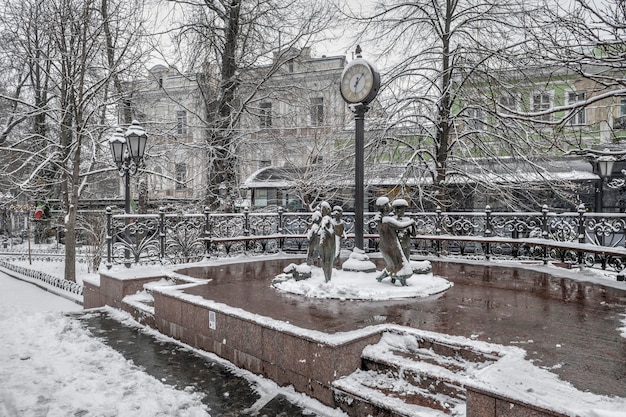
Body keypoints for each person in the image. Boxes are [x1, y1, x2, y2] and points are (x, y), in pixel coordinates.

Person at [375, 196, 415, 286]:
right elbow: (400, 226)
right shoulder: (387, 219)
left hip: (384, 245)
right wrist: (411, 222)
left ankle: (382, 277)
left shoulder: (379, 219)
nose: (391, 207)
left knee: (392, 264)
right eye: (388, 205)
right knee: (400, 264)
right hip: (392, 245)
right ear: (385, 207)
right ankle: (402, 281)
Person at [317, 202, 335, 282]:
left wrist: (325, 229)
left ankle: (328, 279)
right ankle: (326, 278)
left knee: (327, 261)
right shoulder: (323, 220)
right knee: (323, 261)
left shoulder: (329, 221)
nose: (322, 212)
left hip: (328, 244)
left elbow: (331, 233)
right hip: (322, 244)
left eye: (323, 210)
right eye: (321, 210)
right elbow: (318, 233)